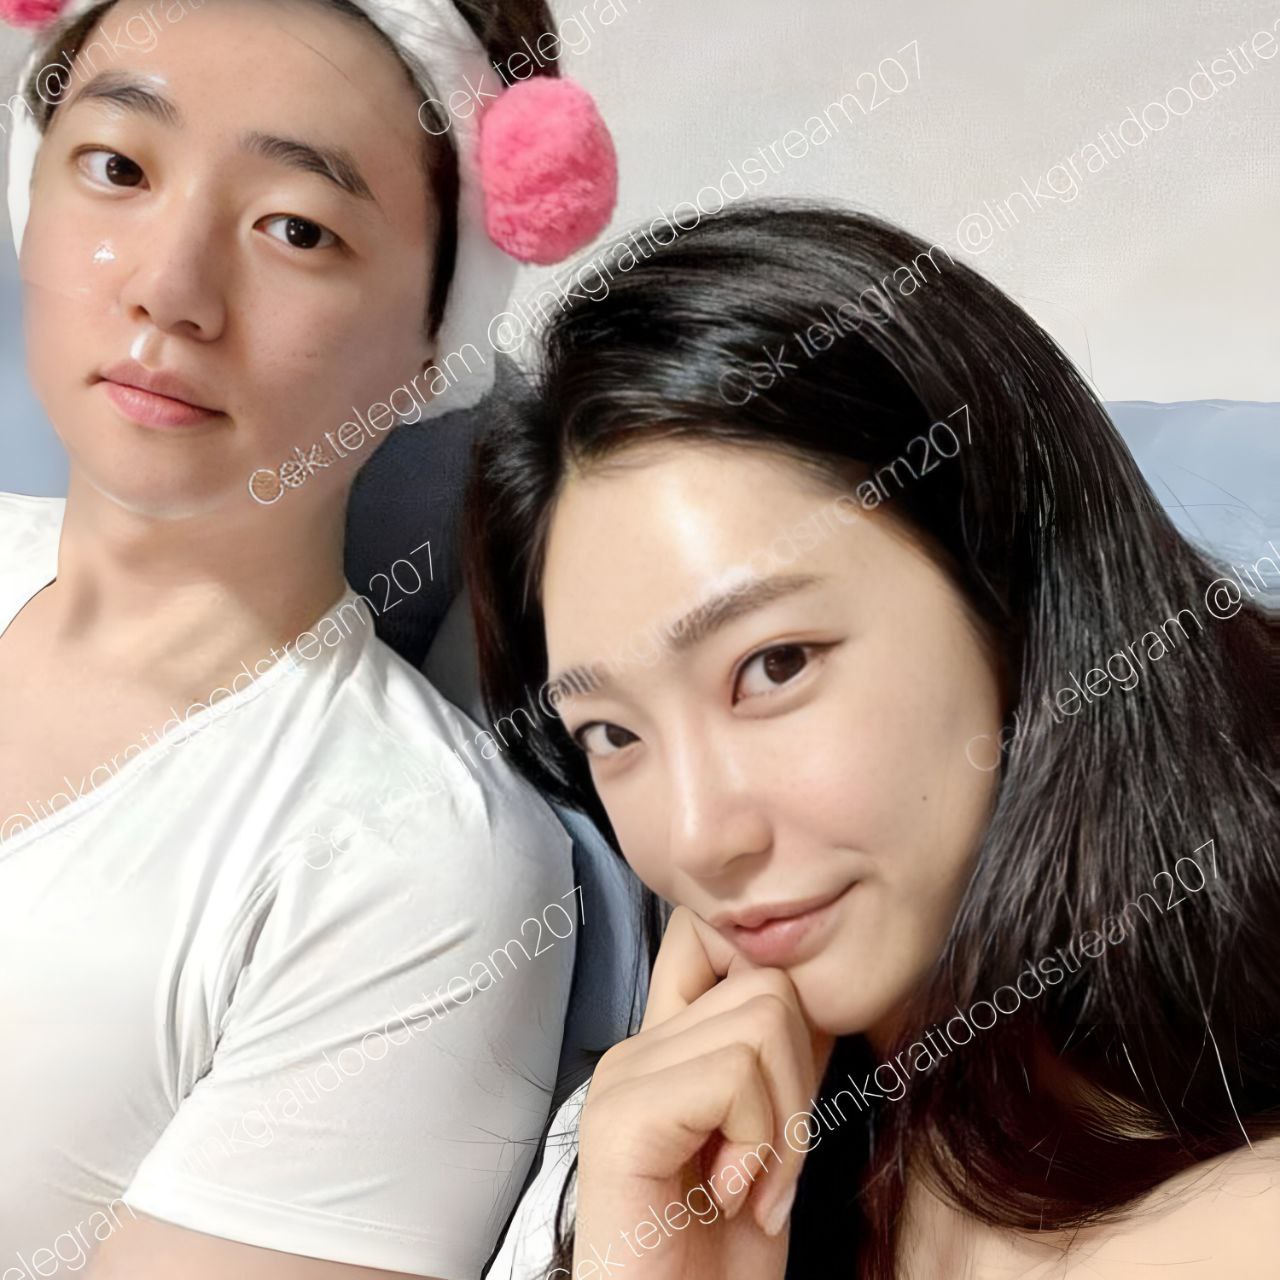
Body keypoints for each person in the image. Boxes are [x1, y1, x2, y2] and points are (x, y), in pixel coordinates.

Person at [465, 202, 1280, 1278]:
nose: (698, 839)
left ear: (1016, 603)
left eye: (774, 666)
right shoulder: (661, 1157)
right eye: (611, 732)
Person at [0, 0, 617, 1274]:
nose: (170, 288)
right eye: (117, 167)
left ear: (435, 337)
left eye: (297, 227)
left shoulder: (413, 866)